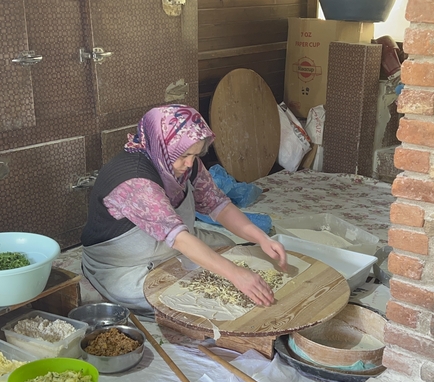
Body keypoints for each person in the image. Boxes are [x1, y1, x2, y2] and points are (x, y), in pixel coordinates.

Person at [81, 104, 288, 318]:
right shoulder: (135, 179)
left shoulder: (187, 164)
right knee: (187, 296)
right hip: (126, 265)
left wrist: (262, 238)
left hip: (171, 248)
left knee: (231, 251)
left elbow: (217, 204)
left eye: (195, 154)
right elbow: (178, 237)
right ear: (163, 146)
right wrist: (235, 275)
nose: (190, 163)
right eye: (183, 155)